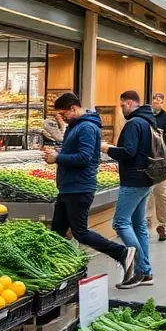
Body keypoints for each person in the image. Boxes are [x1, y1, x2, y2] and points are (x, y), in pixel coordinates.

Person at [43, 93, 136, 285]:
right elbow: (75, 153)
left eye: (63, 113)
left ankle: (122, 252)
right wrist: (57, 153)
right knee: (57, 232)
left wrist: (57, 158)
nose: (62, 118)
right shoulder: (75, 127)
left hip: (79, 188)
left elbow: (85, 157)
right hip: (68, 187)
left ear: (73, 108)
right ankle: (60, 275)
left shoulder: (86, 127)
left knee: (80, 232)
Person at [103, 90, 157, 289]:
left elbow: (128, 152)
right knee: (139, 224)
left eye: (122, 105)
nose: (121, 109)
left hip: (133, 179)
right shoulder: (149, 121)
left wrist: (107, 149)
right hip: (146, 178)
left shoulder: (134, 123)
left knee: (120, 222)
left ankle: (142, 269)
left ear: (129, 103)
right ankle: (147, 272)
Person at [149, 92, 166, 242]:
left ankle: (161, 225)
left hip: (160, 160)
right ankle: (144, 223)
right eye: (155, 100)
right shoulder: (144, 117)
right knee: (145, 193)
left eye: (160, 100)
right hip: (145, 160)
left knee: (160, 193)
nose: (157, 102)